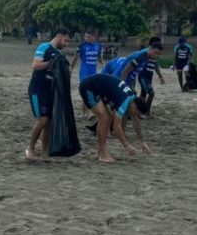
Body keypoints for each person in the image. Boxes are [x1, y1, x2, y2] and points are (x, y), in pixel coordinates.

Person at [79, 74, 150, 163]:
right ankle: (102, 154)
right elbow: (117, 127)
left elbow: (135, 119)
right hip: (88, 87)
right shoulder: (124, 102)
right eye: (136, 112)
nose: (135, 115)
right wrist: (126, 145)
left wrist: (142, 141)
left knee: (107, 118)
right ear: (134, 106)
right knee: (105, 118)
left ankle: (100, 152)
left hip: (96, 88)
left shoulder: (131, 97)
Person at [26, 28, 71, 160]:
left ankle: (45, 151)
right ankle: (31, 148)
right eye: (66, 40)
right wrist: (51, 63)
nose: (66, 44)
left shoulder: (59, 53)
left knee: (49, 123)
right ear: (59, 36)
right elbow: (35, 65)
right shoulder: (44, 47)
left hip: (51, 91)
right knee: (42, 120)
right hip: (37, 89)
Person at [137, 36, 165, 118]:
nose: (160, 43)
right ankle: (146, 113)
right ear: (154, 44)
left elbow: (156, 65)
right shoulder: (145, 52)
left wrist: (161, 76)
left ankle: (137, 111)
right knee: (151, 93)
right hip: (143, 77)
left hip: (149, 77)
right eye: (159, 42)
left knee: (143, 95)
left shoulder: (155, 53)